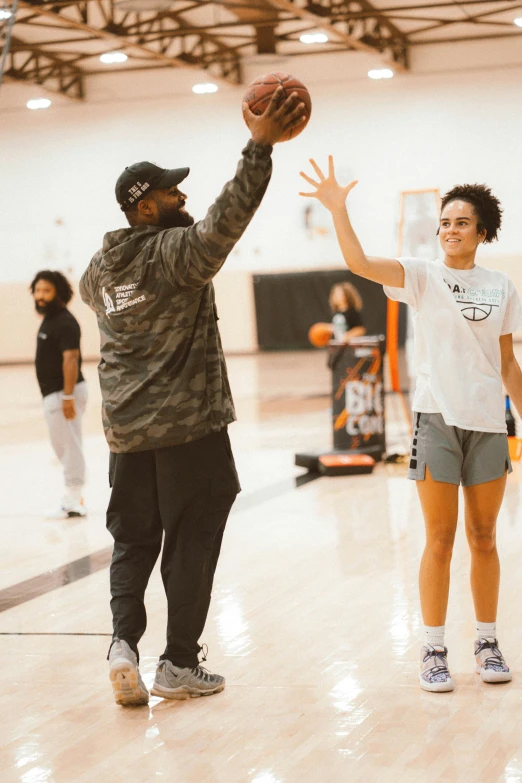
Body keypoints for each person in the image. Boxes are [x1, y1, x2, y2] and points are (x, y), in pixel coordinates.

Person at [80, 88, 306, 707]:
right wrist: (259, 148)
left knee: (132, 540)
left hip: (126, 434)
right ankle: (178, 664)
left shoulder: (98, 270)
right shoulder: (175, 256)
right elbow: (227, 218)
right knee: (191, 541)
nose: (184, 198)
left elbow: (90, 294)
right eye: (173, 192)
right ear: (145, 206)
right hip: (189, 431)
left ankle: (123, 643)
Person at [300, 156, 522, 692]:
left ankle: (487, 642)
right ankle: (432, 649)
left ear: (483, 231)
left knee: (485, 537)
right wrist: (337, 209)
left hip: (489, 422)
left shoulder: (502, 285)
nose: (450, 229)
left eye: (461, 222)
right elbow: (357, 262)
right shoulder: (422, 276)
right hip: (437, 422)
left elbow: (508, 361)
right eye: (445, 222)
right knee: (440, 538)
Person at [30, 270, 88, 519]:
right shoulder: (51, 319)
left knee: (68, 446)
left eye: (47, 291)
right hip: (57, 393)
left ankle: (74, 501)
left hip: (65, 392)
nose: (40, 296)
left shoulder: (65, 322)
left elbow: (71, 359)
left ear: (59, 293)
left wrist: (66, 397)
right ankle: (75, 495)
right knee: (64, 445)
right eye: (38, 290)